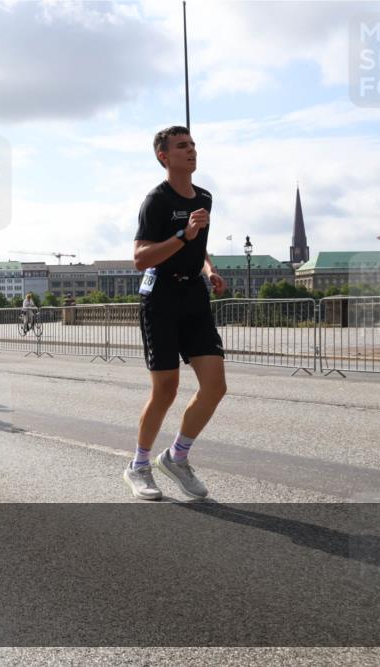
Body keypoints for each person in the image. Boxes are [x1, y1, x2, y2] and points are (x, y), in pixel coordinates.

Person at [124, 125, 227, 502]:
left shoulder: (204, 197)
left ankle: (177, 457)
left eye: (193, 144)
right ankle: (138, 465)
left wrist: (209, 269)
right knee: (165, 390)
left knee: (215, 386)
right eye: (182, 146)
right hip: (161, 296)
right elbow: (140, 258)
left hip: (194, 297)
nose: (191, 151)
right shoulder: (157, 201)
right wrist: (182, 235)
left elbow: (199, 246)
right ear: (163, 156)